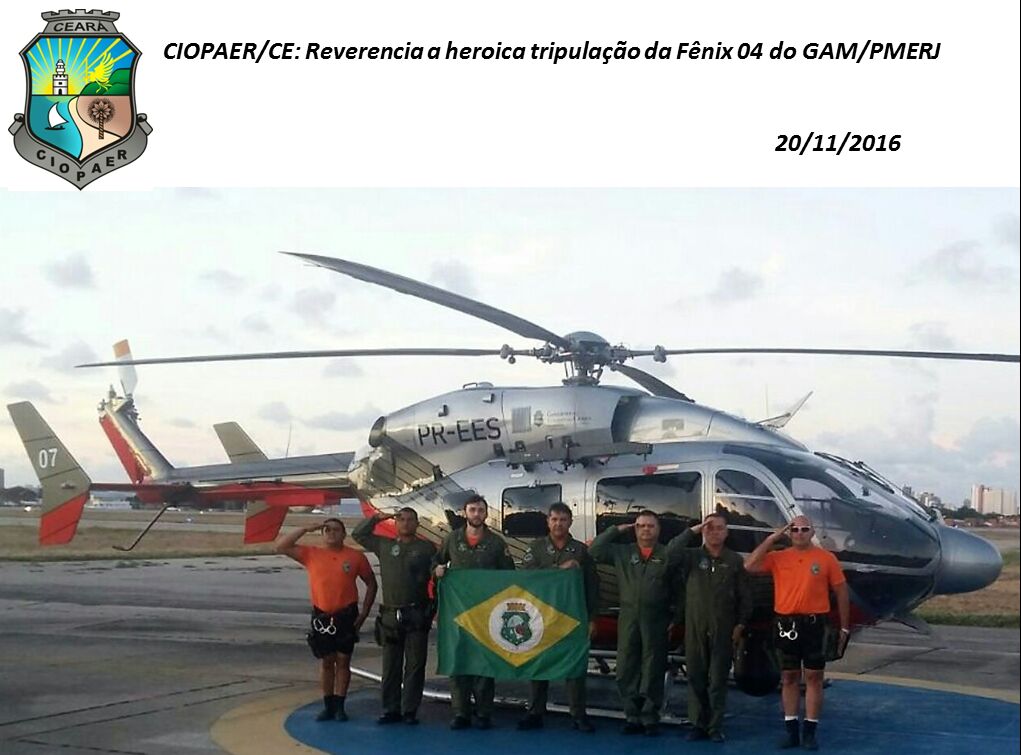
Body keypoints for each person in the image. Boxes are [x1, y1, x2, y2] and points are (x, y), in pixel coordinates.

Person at [744, 515, 850, 751]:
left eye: (804, 529)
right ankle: (791, 731)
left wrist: (844, 627)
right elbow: (748, 566)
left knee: (814, 677)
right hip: (786, 625)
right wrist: (771, 540)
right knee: (789, 678)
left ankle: (810, 731)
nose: (800, 533)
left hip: (815, 625)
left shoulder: (826, 558)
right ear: (789, 533)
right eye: (795, 529)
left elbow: (841, 592)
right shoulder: (778, 557)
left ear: (812, 532)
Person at [276, 518, 378, 722]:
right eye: (327, 530)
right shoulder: (311, 554)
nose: (331, 533)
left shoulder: (355, 557)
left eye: (336, 530)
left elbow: (371, 584)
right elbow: (281, 546)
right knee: (326, 661)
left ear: (343, 534)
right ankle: (328, 704)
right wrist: (306, 528)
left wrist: (364, 613)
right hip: (322, 616)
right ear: (322, 534)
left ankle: (340, 705)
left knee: (343, 661)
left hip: (345, 615)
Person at [589, 510, 678, 736]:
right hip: (628, 616)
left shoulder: (667, 554)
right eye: (640, 526)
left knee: (653, 667)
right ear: (635, 529)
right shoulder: (623, 552)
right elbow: (594, 550)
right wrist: (616, 530)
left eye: (650, 525)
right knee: (625, 667)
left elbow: (680, 588)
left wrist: (676, 618)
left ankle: (649, 717)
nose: (645, 530)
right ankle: (631, 715)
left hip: (656, 618)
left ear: (658, 530)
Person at [433, 493, 515, 730]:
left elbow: (509, 574)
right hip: (457, 611)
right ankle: (460, 712)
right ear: (464, 512)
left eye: (480, 510)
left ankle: (484, 712)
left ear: (486, 513)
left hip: (487, 612)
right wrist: (436, 570)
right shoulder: (452, 539)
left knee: (484, 662)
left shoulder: (496, 543)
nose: (476, 514)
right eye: (472, 510)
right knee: (458, 660)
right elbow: (436, 561)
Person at [668, 513, 752, 743]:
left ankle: (714, 726)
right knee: (695, 676)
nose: (715, 532)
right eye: (710, 527)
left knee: (718, 679)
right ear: (703, 530)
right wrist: (692, 531)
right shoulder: (691, 557)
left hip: (723, 628)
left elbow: (745, 596)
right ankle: (698, 724)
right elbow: (670, 553)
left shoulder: (734, 560)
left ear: (727, 532)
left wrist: (741, 624)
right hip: (695, 626)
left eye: (719, 528)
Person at [517, 502, 599, 733]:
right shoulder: (536, 548)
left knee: (575, 666)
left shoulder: (581, 551)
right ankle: (535, 712)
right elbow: (526, 577)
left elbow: (592, 586)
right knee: (538, 664)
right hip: (540, 615)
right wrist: (560, 570)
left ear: (570, 522)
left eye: (563, 520)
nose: (558, 524)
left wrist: (592, 618)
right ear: (548, 521)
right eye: (554, 519)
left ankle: (578, 714)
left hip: (572, 616)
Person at [352, 507, 437, 725]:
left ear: (417, 524)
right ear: (396, 523)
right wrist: (377, 518)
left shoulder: (426, 548)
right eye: (401, 519)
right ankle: (391, 708)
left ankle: (410, 710)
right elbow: (358, 534)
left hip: (417, 613)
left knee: (415, 665)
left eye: (410, 520)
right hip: (390, 614)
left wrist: (434, 605)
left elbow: (440, 573)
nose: (406, 523)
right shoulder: (384, 545)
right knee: (391, 665)